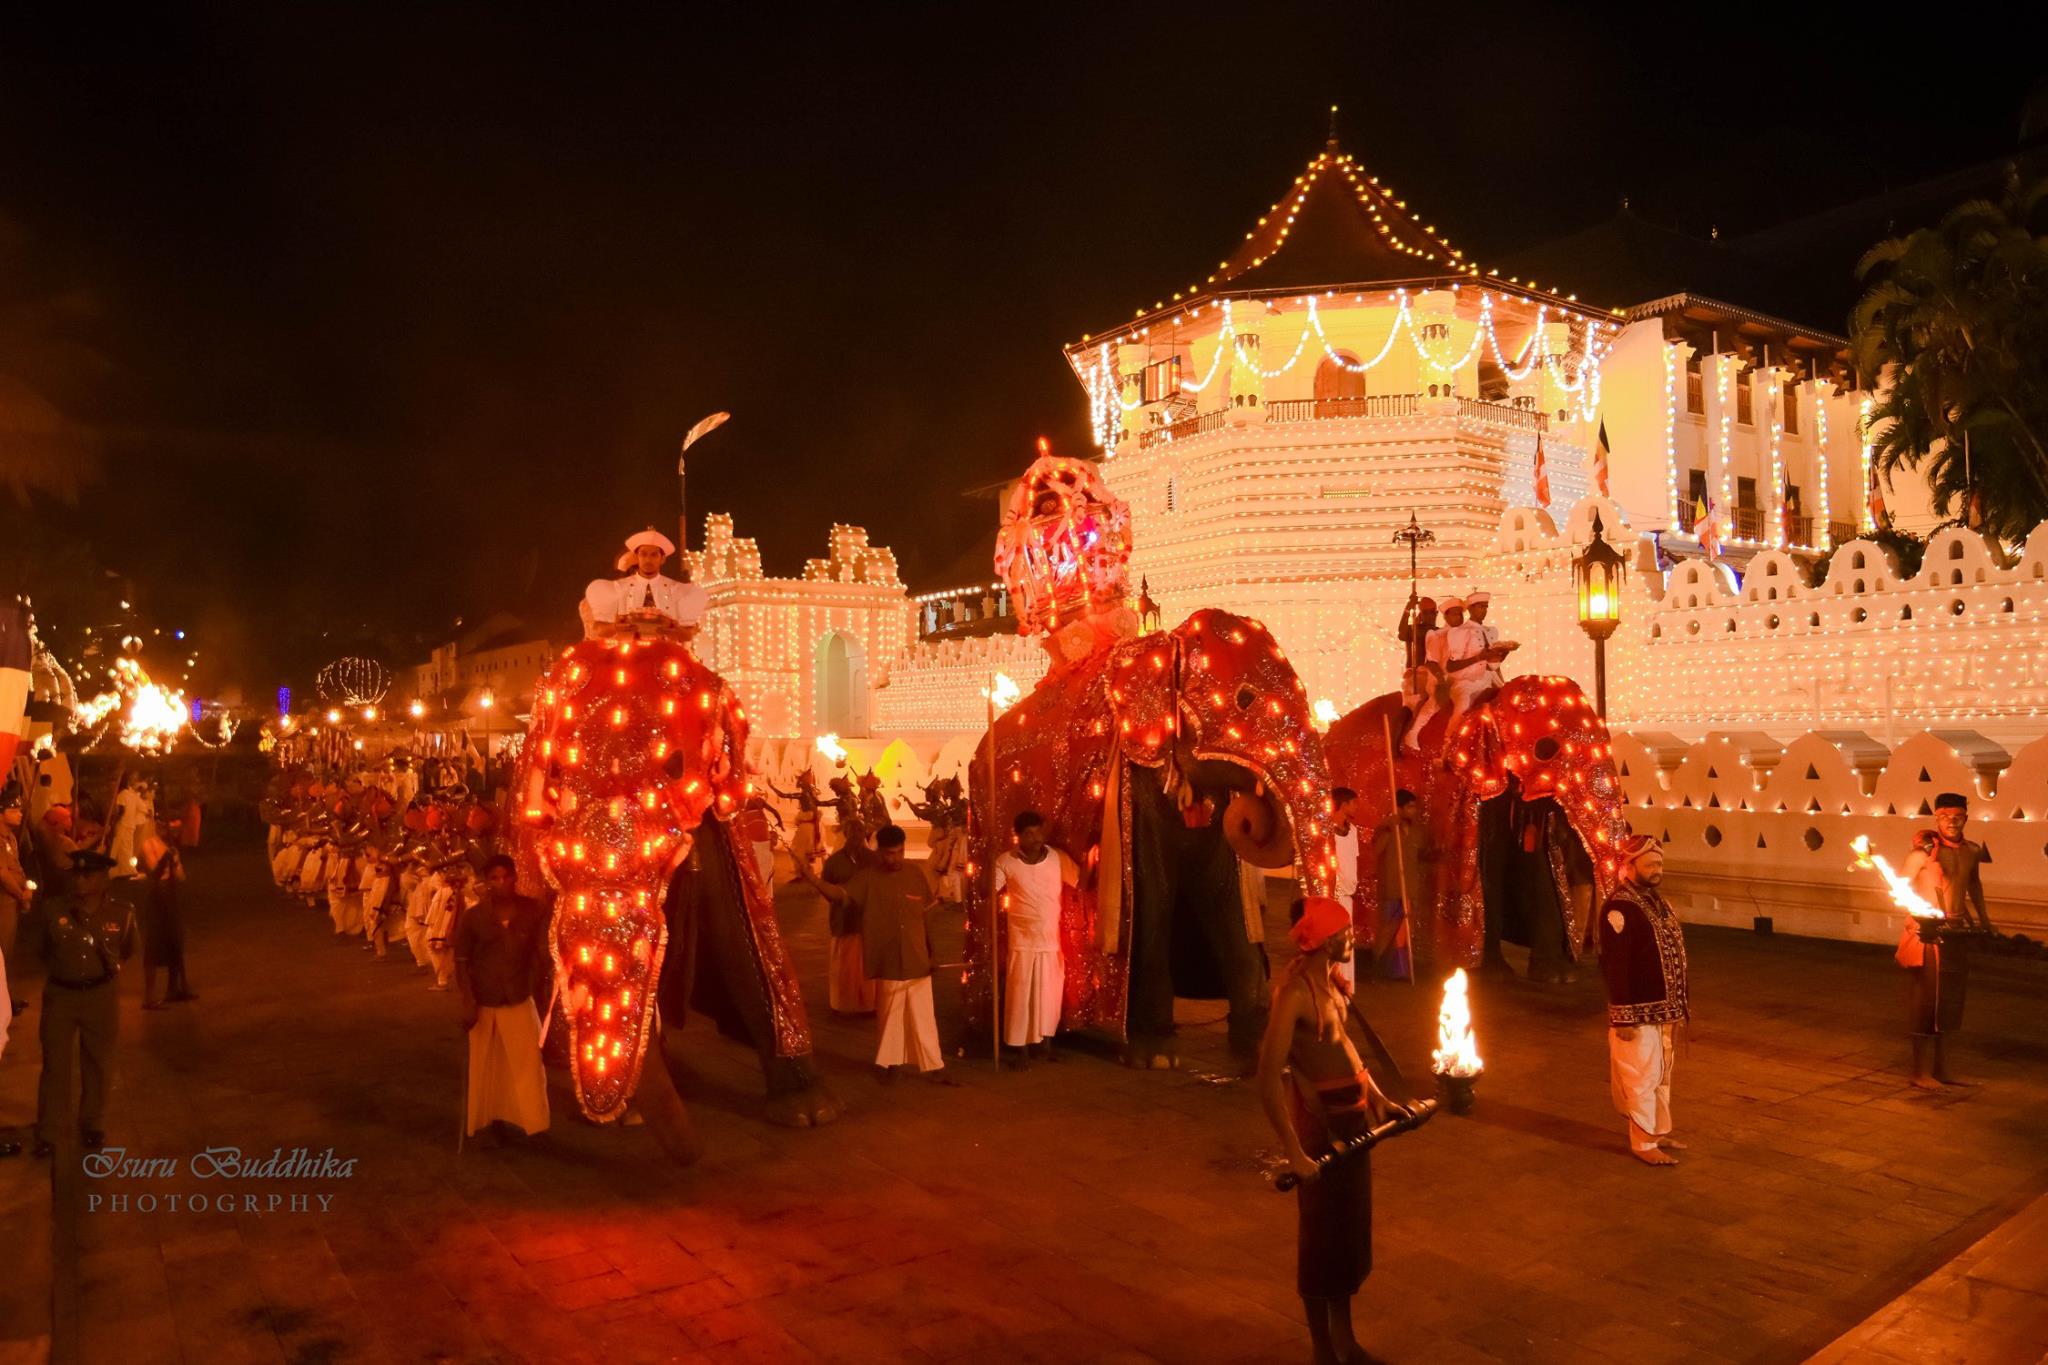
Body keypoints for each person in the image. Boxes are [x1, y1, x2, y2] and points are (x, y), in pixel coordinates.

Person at [1256, 897, 1409, 1364]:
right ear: (1322, 941)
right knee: (1320, 1242)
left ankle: (1346, 1340)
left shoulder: (1334, 982)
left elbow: (1348, 1050)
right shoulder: (1296, 993)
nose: (1351, 941)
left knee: (1347, 1238)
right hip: (1319, 1128)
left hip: (1353, 1122)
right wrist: (1295, 1151)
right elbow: (1267, 1075)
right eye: (1343, 935)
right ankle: (1323, 1348)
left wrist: (1378, 1098)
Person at [796, 825, 952, 1083]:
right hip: (888, 959)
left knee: (924, 1015)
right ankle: (891, 1064)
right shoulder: (867, 878)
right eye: (890, 854)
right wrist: (811, 878)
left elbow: (925, 917)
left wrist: (932, 953)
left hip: (917, 958)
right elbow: (839, 895)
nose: (896, 859)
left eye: (900, 852)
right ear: (879, 853)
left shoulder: (915, 873)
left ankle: (934, 1066)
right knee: (890, 1015)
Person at [21, 850, 135, 1155]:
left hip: (100, 995)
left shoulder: (122, 913)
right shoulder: (52, 910)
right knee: (55, 1064)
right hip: (61, 995)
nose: (80, 880)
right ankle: (50, 1129)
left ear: (104, 878)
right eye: (77, 874)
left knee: (98, 1061)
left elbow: (127, 949)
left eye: (89, 875)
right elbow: (43, 950)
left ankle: (92, 1123)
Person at [1599, 835, 1689, 1166]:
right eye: (1650, 864)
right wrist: (1623, 1016)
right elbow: (1615, 963)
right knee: (1641, 1075)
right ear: (1629, 866)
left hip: (1664, 1013)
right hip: (1636, 1014)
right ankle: (1642, 1144)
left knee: (1661, 1074)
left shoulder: (1655, 901)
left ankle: (1655, 1132)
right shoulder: (1620, 907)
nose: (1656, 870)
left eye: (1659, 864)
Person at [1896, 794, 1995, 1087]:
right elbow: (1901, 889)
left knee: (1950, 1002)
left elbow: (1974, 884)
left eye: (1958, 817)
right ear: (1937, 818)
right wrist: (1922, 915)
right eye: (1945, 816)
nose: (1952, 822)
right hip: (1927, 934)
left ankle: (1941, 1068)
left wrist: (1984, 920)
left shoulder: (1972, 851)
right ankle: (1918, 1071)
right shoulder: (1921, 855)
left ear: (1966, 818)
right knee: (1925, 1001)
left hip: (1956, 933)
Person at [454, 855, 552, 1142]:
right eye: (494, 878)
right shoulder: (474, 918)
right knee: (488, 1064)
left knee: (528, 1064)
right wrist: (468, 1001)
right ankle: (492, 1118)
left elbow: (541, 954)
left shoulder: (533, 911)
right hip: (485, 999)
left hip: (519, 996)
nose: (501, 883)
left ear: (515, 878)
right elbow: (461, 960)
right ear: (485, 882)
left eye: (506, 876)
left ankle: (532, 1121)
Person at [993, 810, 1074, 1066]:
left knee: (1048, 996)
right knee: (1020, 997)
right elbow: (987, 890)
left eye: (1038, 832)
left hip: (1051, 941)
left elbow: (1080, 880)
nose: (1036, 838)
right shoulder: (1005, 862)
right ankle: (1020, 1050)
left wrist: (1095, 859)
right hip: (1022, 942)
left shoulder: (1058, 859)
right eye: (1029, 834)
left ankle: (1045, 1045)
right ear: (1017, 837)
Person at [583, 528, 708, 640]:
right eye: (643, 554)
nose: (648, 560)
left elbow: (687, 636)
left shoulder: (676, 590)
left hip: (666, 656)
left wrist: (676, 630)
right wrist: (616, 627)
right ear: (637, 557)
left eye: (654, 555)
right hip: (627, 656)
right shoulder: (618, 588)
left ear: (662, 559)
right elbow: (601, 631)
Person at [1369, 789, 1436, 981]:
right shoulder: (1386, 828)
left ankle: (1398, 971)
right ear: (1399, 808)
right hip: (1391, 887)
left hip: (1410, 888)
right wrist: (1389, 829)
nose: (1414, 811)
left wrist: (1436, 853)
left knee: (1405, 930)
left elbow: (1420, 856)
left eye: (1415, 807)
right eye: (1410, 807)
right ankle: (1377, 967)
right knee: (1388, 929)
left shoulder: (1416, 831)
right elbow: (1376, 849)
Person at [817, 819, 877, 1015]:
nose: (856, 835)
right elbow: (827, 892)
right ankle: (845, 1004)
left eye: (860, 830)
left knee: (867, 967)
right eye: (852, 831)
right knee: (845, 968)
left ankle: (869, 1004)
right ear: (846, 833)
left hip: (868, 922)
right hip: (844, 922)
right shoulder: (834, 862)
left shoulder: (873, 859)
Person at [1401, 596, 1462, 753]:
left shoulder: (1440, 632)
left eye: (1434, 613)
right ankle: (1403, 739)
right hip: (1415, 675)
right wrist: (1408, 608)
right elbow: (1402, 634)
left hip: (1434, 674)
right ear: (1420, 614)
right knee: (1411, 708)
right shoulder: (1415, 630)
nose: (1432, 616)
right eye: (1427, 613)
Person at [140, 845, 195, 1009]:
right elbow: (154, 874)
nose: (174, 826)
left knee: (176, 940)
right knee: (154, 945)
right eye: (169, 822)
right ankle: (149, 997)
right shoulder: (148, 844)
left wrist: (175, 861)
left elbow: (180, 876)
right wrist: (165, 858)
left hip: (171, 897)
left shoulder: (173, 848)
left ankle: (174, 988)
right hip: (156, 898)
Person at [1327, 788, 1364, 988]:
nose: (1357, 807)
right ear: (1343, 804)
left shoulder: (1354, 832)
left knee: (1347, 944)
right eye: (1354, 803)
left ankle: (1346, 989)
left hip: (1347, 896)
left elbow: (1352, 861)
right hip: (1332, 895)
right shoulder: (1326, 832)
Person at [1, 783, 32, 1008]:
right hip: (3, 901)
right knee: (1, 952)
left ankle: (5, 998)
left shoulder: (9, 837)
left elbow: (16, 868)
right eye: (14, 810)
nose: (20, 813)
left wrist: (26, 889)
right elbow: (2, 873)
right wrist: (21, 894)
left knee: (8, 953)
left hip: (12, 900)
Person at [1463, 590, 1516, 693]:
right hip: (1472, 682)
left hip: (1493, 678)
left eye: (1486, 607)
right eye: (1481, 607)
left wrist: (1503, 653)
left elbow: (1494, 664)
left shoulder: (1490, 631)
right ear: (1470, 609)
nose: (1484, 610)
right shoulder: (1463, 631)